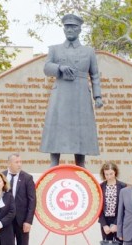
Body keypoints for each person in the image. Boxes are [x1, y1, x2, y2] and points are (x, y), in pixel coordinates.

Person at [40, 13, 103, 168]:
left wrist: (98, 96)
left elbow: (94, 74)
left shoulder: (88, 51)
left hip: (80, 95)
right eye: (67, 27)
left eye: (73, 27)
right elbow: (47, 68)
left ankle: (81, 167)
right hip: (61, 94)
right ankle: (53, 166)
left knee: (80, 132)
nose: (69, 30)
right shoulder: (55, 49)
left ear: (79, 29)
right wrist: (60, 67)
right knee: (56, 129)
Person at [3, 153, 36, 245]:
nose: (19, 164)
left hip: (22, 222)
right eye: (16, 162)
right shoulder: (1, 177)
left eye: (20, 161)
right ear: (9, 163)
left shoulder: (27, 178)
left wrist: (28, 221)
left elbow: (32, 201)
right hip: (6, 222)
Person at [98, 162, 127, 245]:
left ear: (115, 172)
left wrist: (116, 223)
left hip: (118, 222)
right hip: (105, 223)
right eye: (106, 174)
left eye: (111, 173)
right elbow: (98, 208)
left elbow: (123, 207)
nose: (109, 176)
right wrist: (104, 224)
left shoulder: (122, 187)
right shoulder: (100, 187)